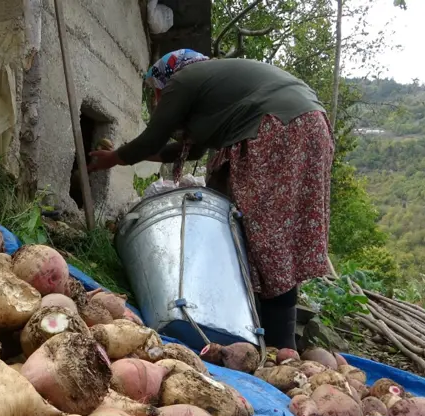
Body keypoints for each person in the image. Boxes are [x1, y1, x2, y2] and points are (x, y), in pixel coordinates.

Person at [90, 49, 334, 350]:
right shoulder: (217, 91)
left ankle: (276, 345)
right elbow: (186, 151)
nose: (157, 101)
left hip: (277, 129)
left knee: (264, 239)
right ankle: (270, 341)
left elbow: (153, 138)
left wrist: (114, 158)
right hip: (309, 126)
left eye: (156, 94)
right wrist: (122, 156)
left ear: (165, 80)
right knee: (272, 241)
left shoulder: (183, 79)